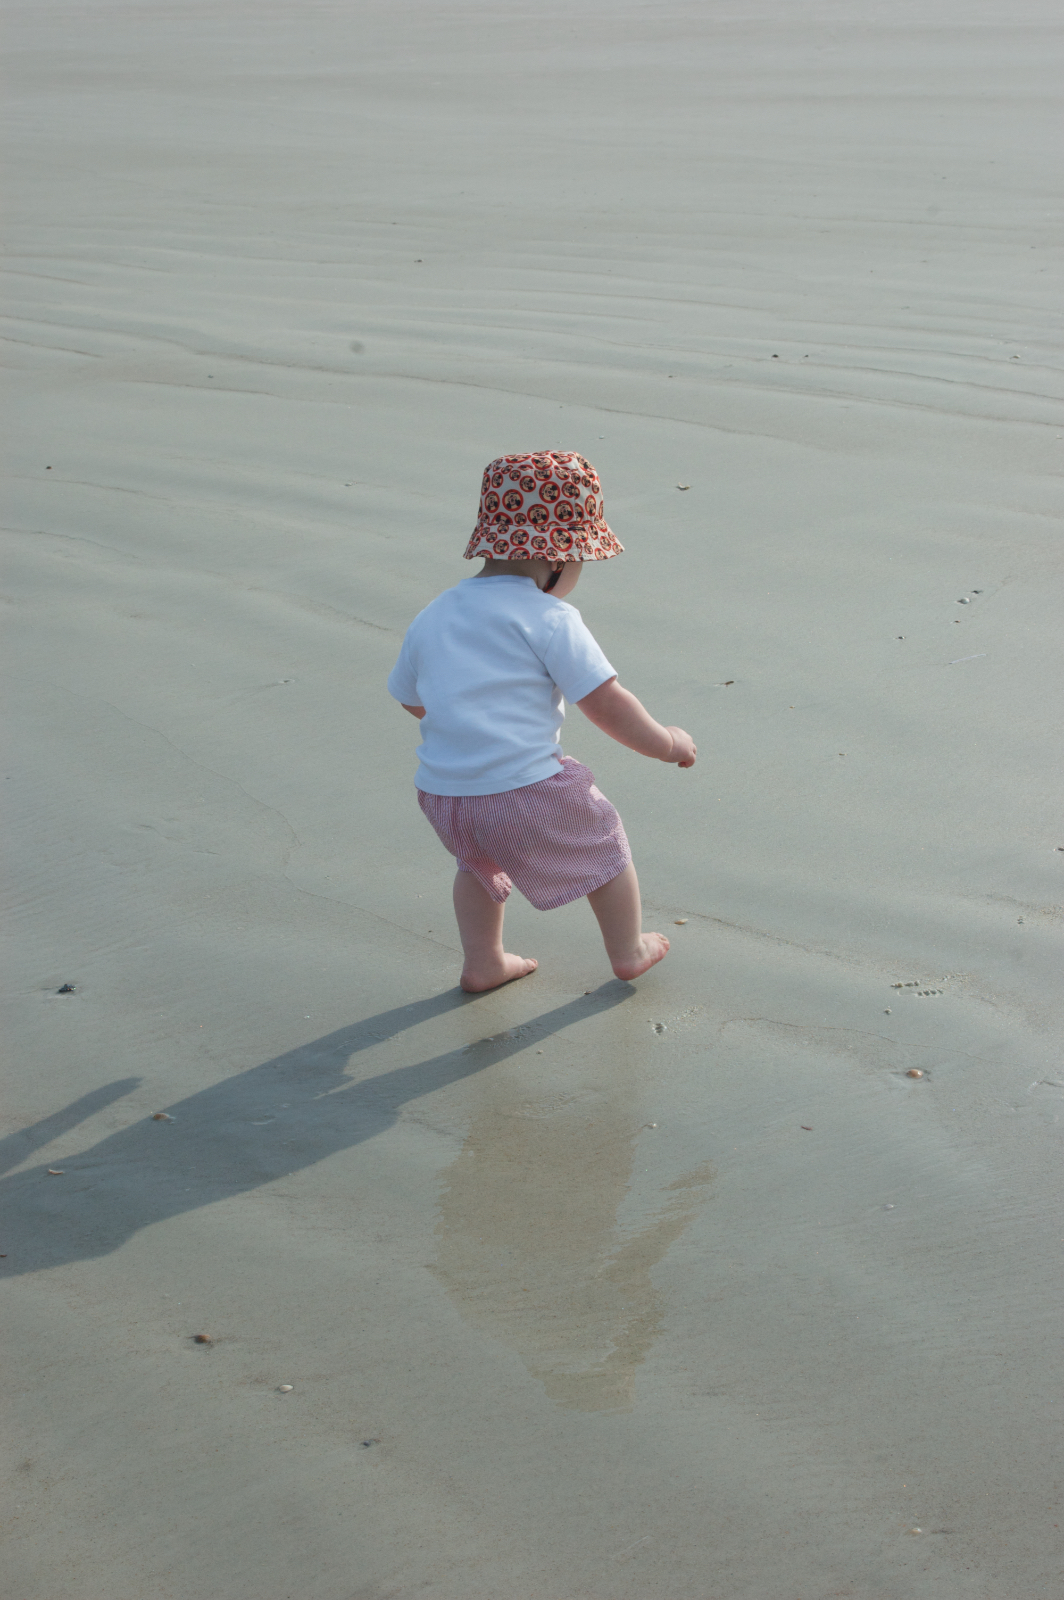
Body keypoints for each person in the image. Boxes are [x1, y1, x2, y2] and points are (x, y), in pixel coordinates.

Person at [387, 451, 696, 993]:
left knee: (478, 866)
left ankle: (484, 962)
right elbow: (605, 703)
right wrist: (666, 743)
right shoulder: (550, 618)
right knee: (604, 845)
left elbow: (412, 700)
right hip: (521, 788)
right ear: (558, 557)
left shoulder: (435, 613)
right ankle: (629, 949)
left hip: (444, 795)